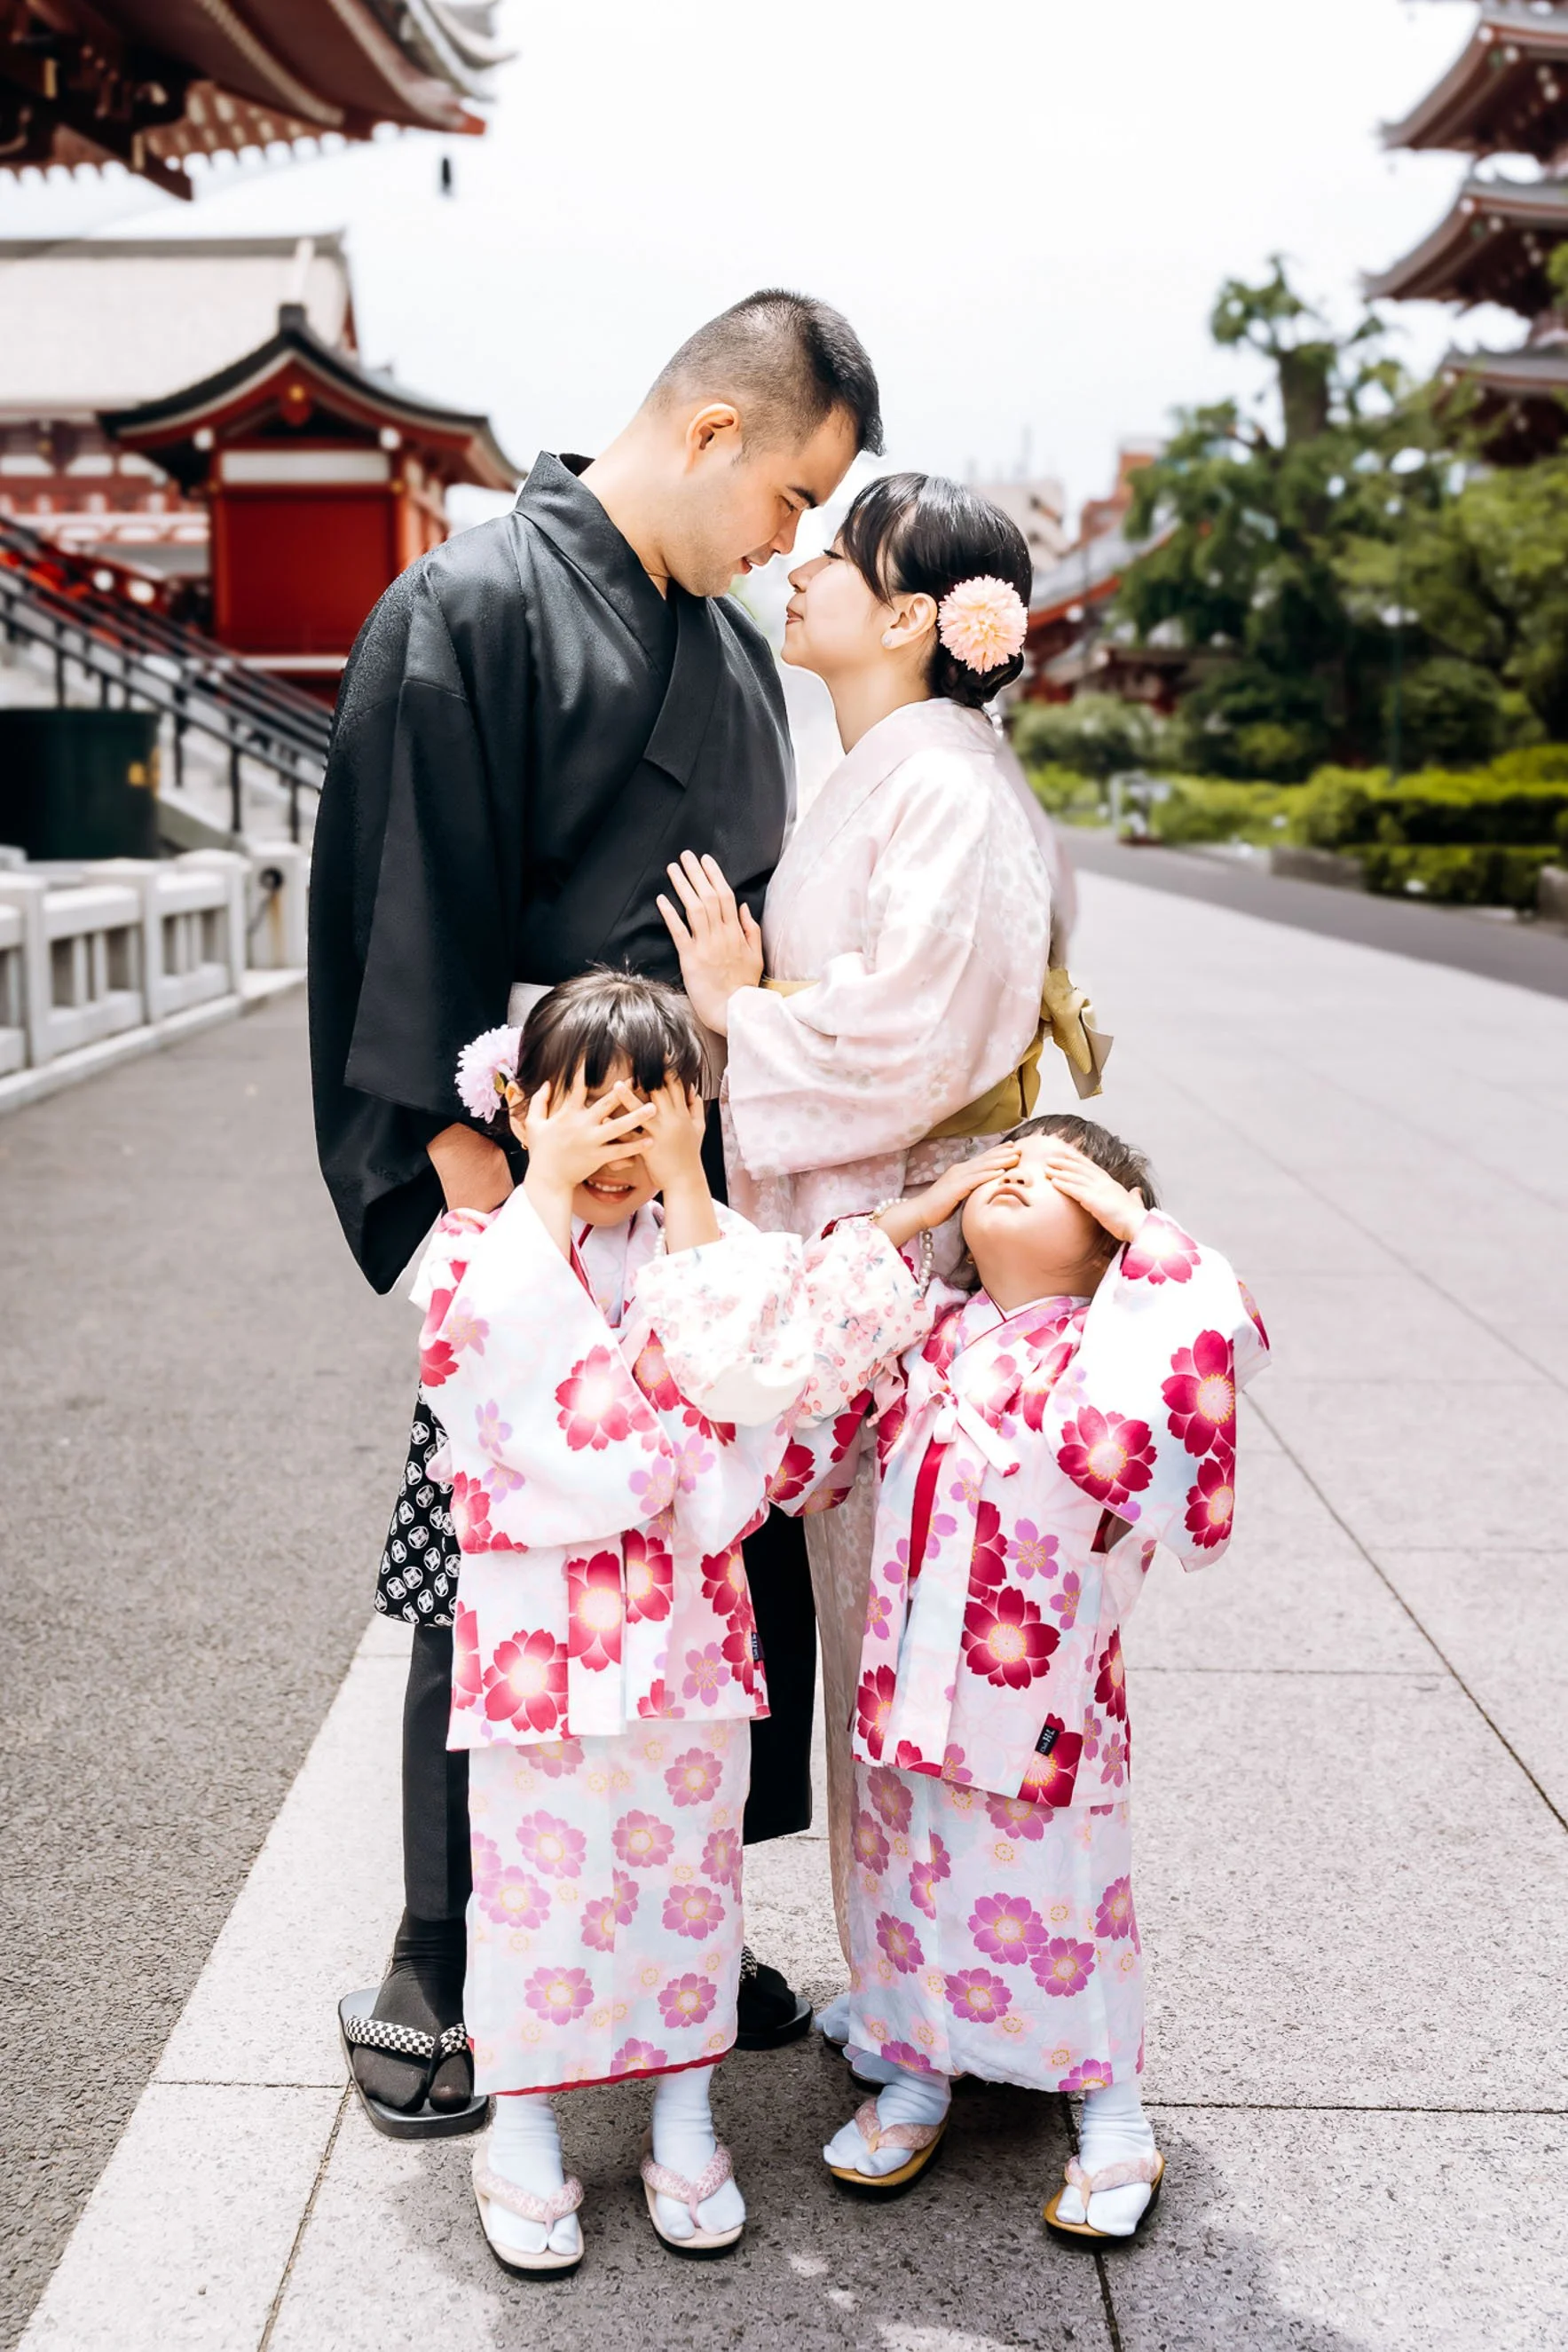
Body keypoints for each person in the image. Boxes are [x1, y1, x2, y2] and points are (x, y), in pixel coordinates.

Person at [311, 291, 883, 2130]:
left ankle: (672, 1917)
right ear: (715, 435)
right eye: (791, 497)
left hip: (689, 1199)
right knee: (492, 1562)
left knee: (700, 1571)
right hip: (534, 1184)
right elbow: (409, 931)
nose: (788, 543)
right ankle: (436, 1935)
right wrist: (492, 1231)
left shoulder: (716, 651)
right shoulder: (471, 605)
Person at [410, 973, 926, 2270]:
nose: (618, 1128)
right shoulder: (479, 1246)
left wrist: (691, 1190)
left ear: (697, 1115)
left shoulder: (722, 1251)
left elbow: (752, 1402)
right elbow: (498, 1406)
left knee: (686, 1886)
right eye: (585, 1098)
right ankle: (521, 2123)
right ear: (523, 1108)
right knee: (536, 1889)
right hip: (538, 1646)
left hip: (684, 1633)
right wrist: (542, 1190)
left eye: (653, 1100)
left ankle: (686, 2113)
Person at [657, 473, 1066, 1977]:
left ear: (910, 618)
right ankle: (913, 2000)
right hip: (866, 1257)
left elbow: (915, 1039)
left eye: (837, 557)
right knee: (885, 1638)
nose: (800, 570)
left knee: (924, 1644)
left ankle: (955, 2012)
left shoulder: (942, 784)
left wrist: (734, 1014)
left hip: (923, 1267)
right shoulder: (886, 768)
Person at [777, 1117, 1270, 2239]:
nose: (1017, 1174)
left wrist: (1143, 1230)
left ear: (1107, 1247)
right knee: (906, 1871)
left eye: (1058, 1177)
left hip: (1041, 1691)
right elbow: (804, 1375)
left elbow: (1200, 1336)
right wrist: (915, 1215)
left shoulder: (1115, 1349)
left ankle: (1111, 2109)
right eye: (1002, 1163)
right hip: (911, 1677)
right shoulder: (925, 1336)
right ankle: (917, 2068)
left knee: (1060, 1889)